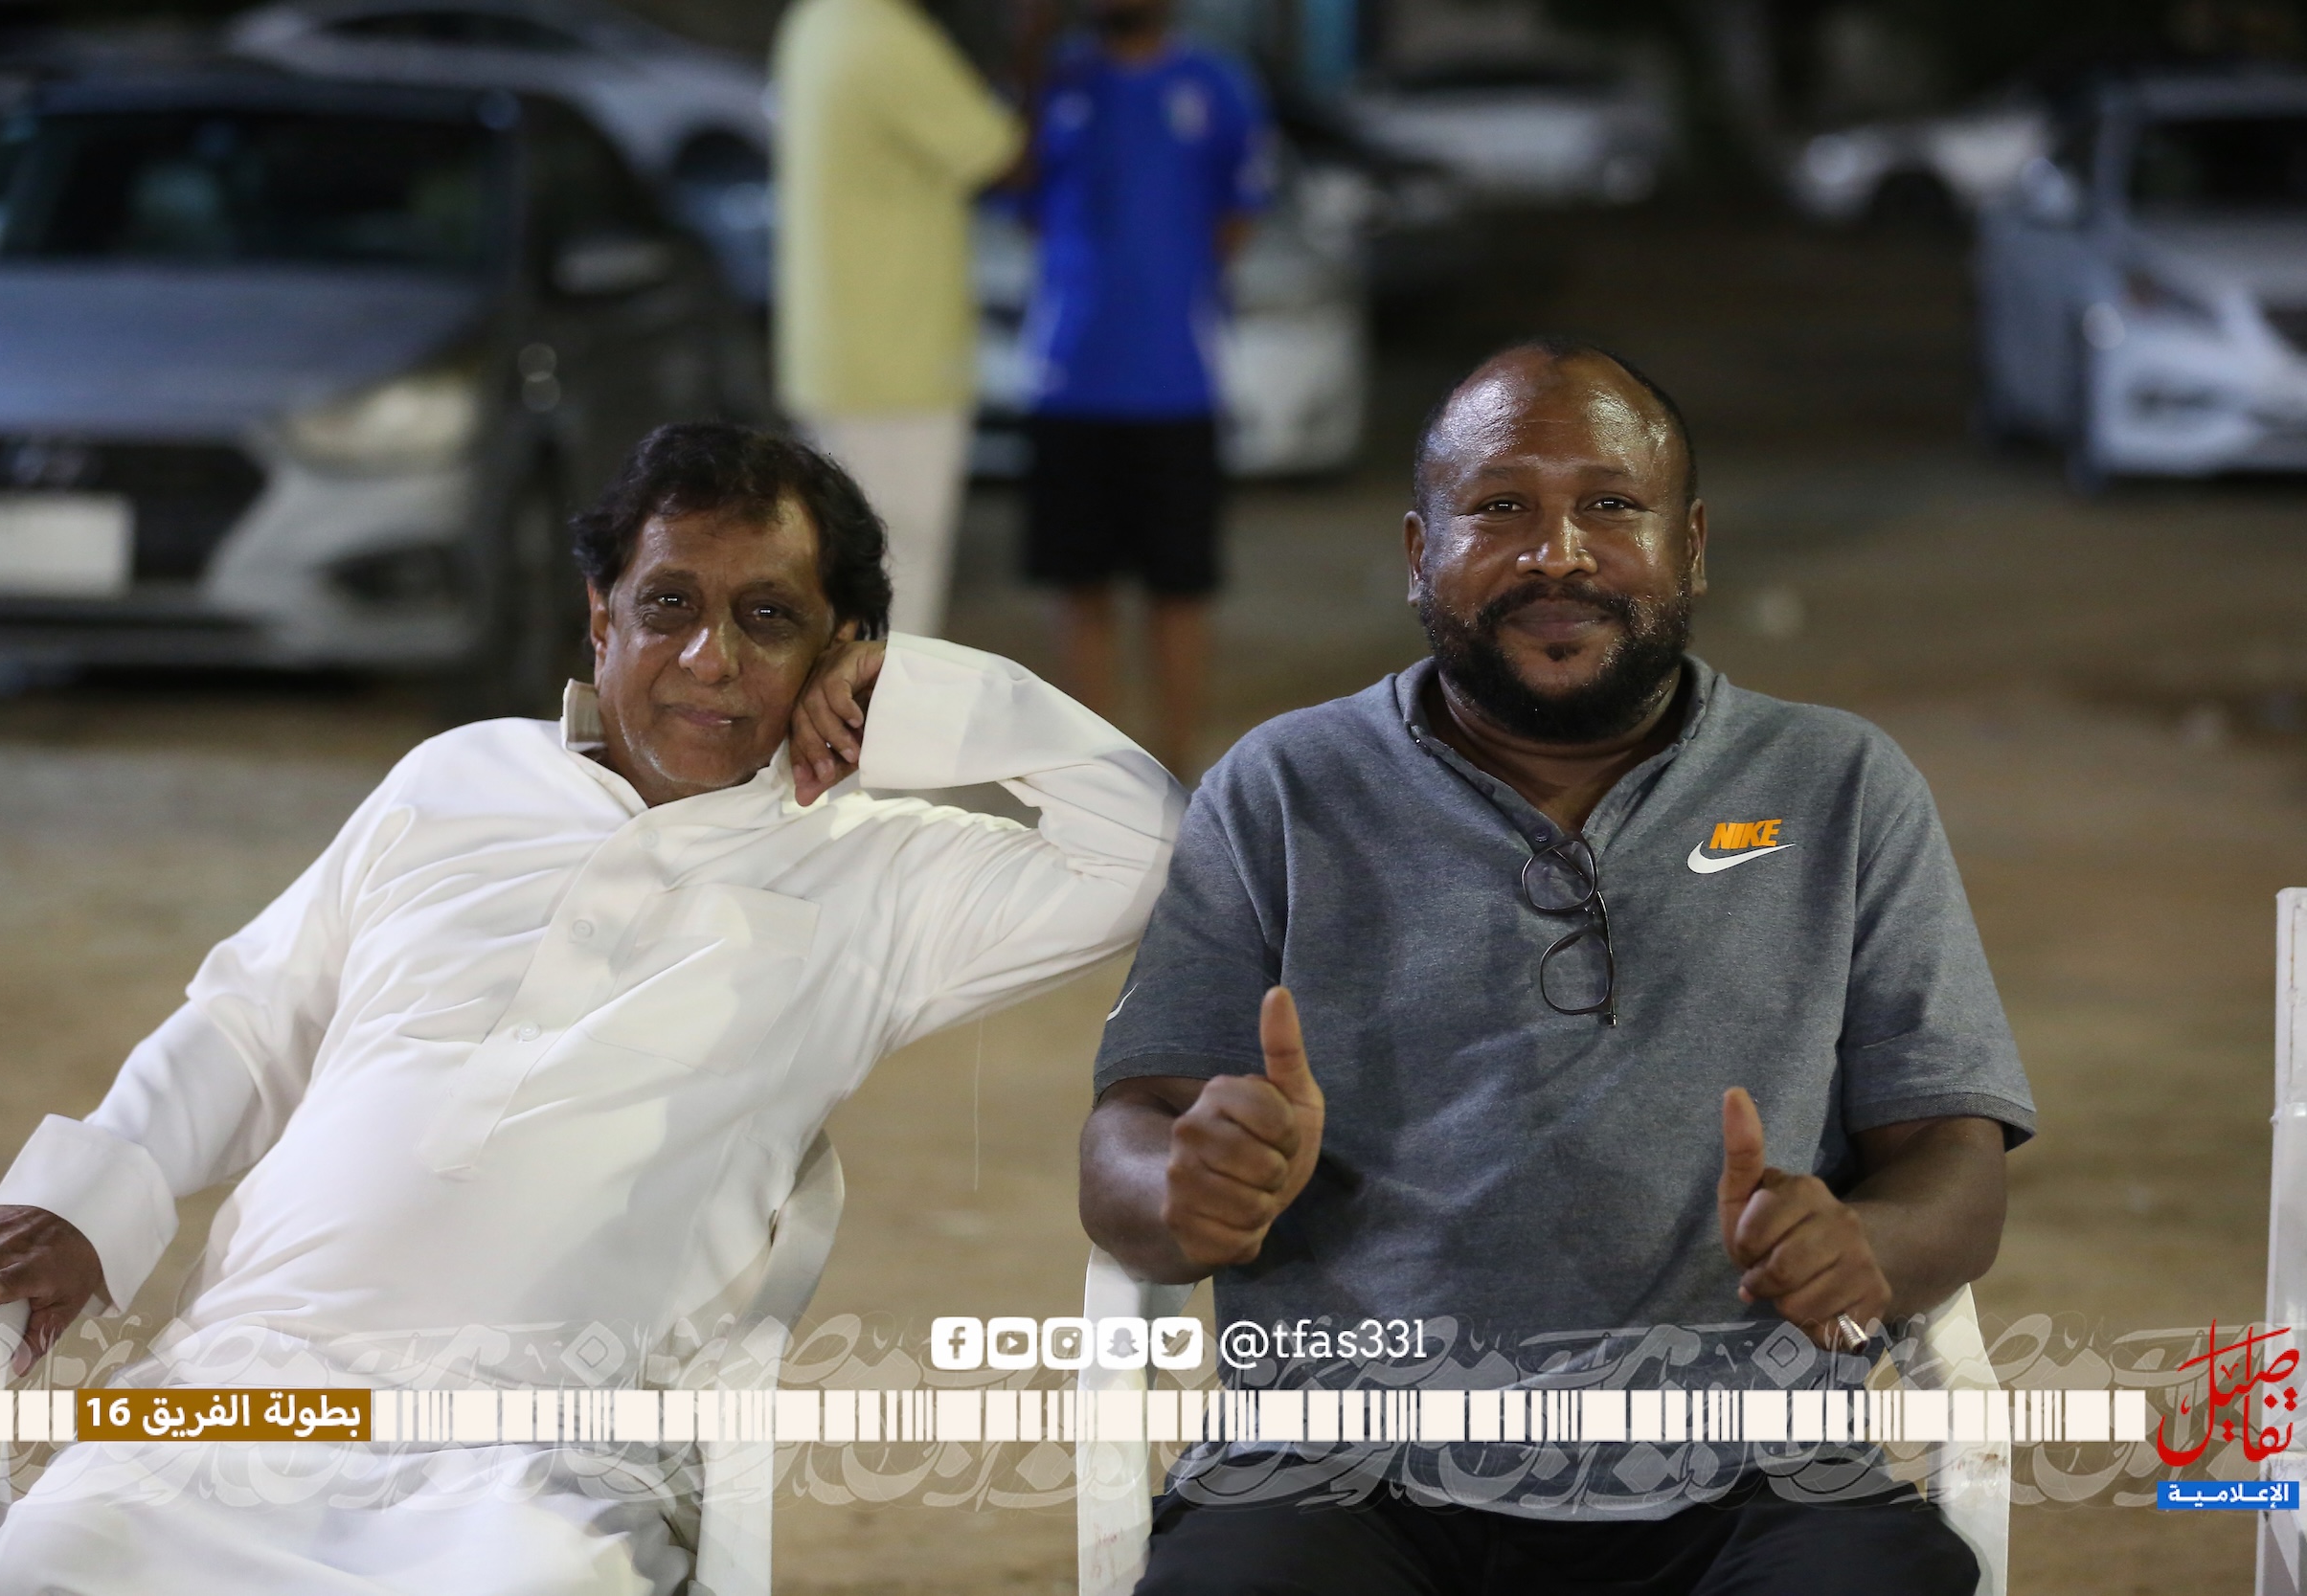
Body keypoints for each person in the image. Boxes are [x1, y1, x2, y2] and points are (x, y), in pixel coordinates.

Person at [0, 423, 1185, 1595]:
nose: (709, 656)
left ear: (840, 650)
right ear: (602, 618)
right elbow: (254, 1020)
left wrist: (915, 692)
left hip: (542, 1444)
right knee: (46, 1560)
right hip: (250, 1388)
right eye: (669, 604)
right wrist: (88, 1196)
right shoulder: (457, 777)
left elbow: (1149, 846)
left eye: (769, 617)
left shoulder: (885, 871)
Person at [1076, 340, 2035, 1593]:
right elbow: (1130, 1129)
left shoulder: (1839, 786)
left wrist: (1869, 1241)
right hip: (1339, 1468)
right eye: (1499, 507)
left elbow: (1953, 1155)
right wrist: (1184, 1185)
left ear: (1691, 544)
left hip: (1756, 1472)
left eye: (1611, 504)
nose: (1558, 553)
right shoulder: (1284, 787)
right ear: (1419, 551)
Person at [1018, 0, 1270, 779]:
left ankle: (1176, 777)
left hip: (1176, 388)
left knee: (1179, 590)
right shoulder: (1055, 84)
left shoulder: (1216, 86)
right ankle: (1096, 782)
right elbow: (1019, 197)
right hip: (1070, 383)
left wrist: (1168, 283)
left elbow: (1238, 212)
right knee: (1080, 589)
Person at [775, 0, 1023, 638]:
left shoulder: (816, 22)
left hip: (837, 357)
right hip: (897, 368)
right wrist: (1033, 38)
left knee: (840, 595)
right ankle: (884, 711)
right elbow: (1001, 155)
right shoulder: (887, 36)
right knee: (895, 610)